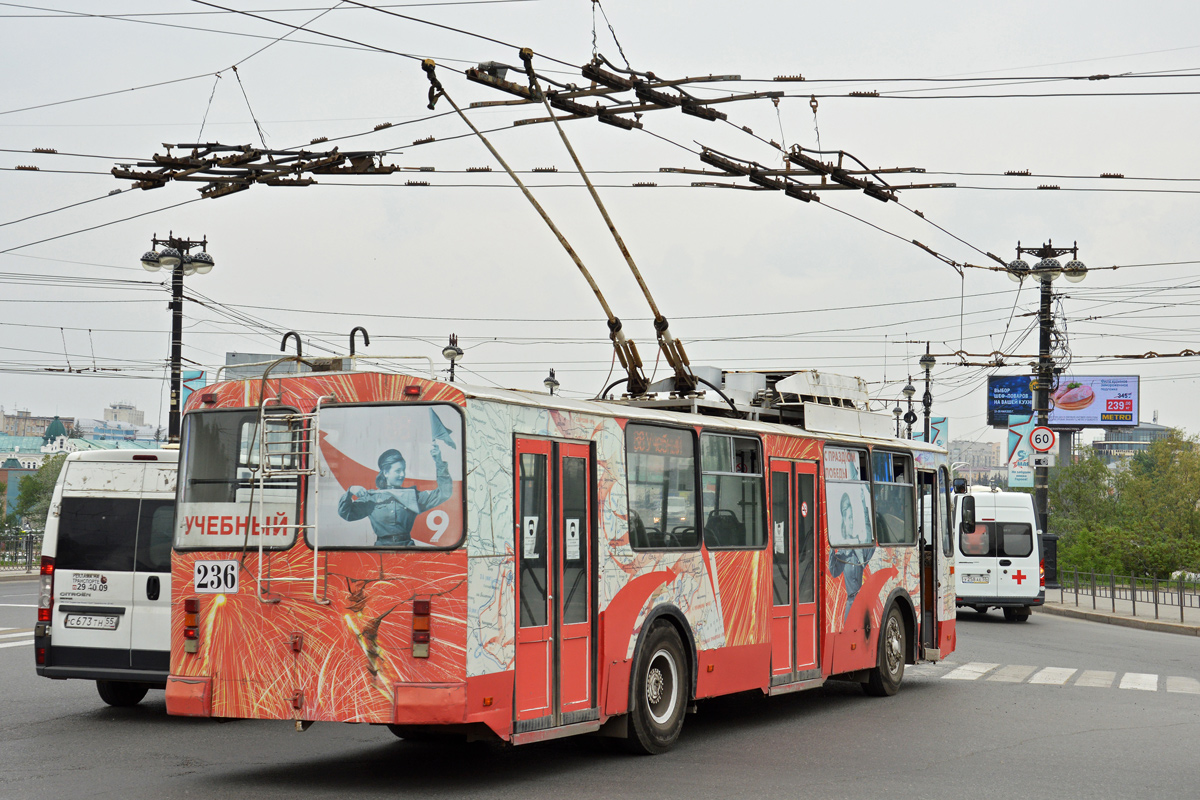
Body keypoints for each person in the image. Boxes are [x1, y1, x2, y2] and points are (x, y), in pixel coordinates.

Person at [337, 444, 451, 546]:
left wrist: (439, 461)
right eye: (398, 471)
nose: (402, 474)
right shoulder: (372, 497)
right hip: (382, 552)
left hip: (407, 551)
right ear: (386, 473)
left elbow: (444, 492)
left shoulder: (412, 496)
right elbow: (347, 514)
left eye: (403, 470)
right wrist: (350, 491)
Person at [829, 490, 875, 620]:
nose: (851, 522)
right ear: (843, 520)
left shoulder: (859, 549)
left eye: (852, 518)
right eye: (849, 518)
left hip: (861, 603)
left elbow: (871, 545)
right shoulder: (842, 552)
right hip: (850, 605)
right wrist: (832, 549)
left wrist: (864, 507)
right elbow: (833, 572)